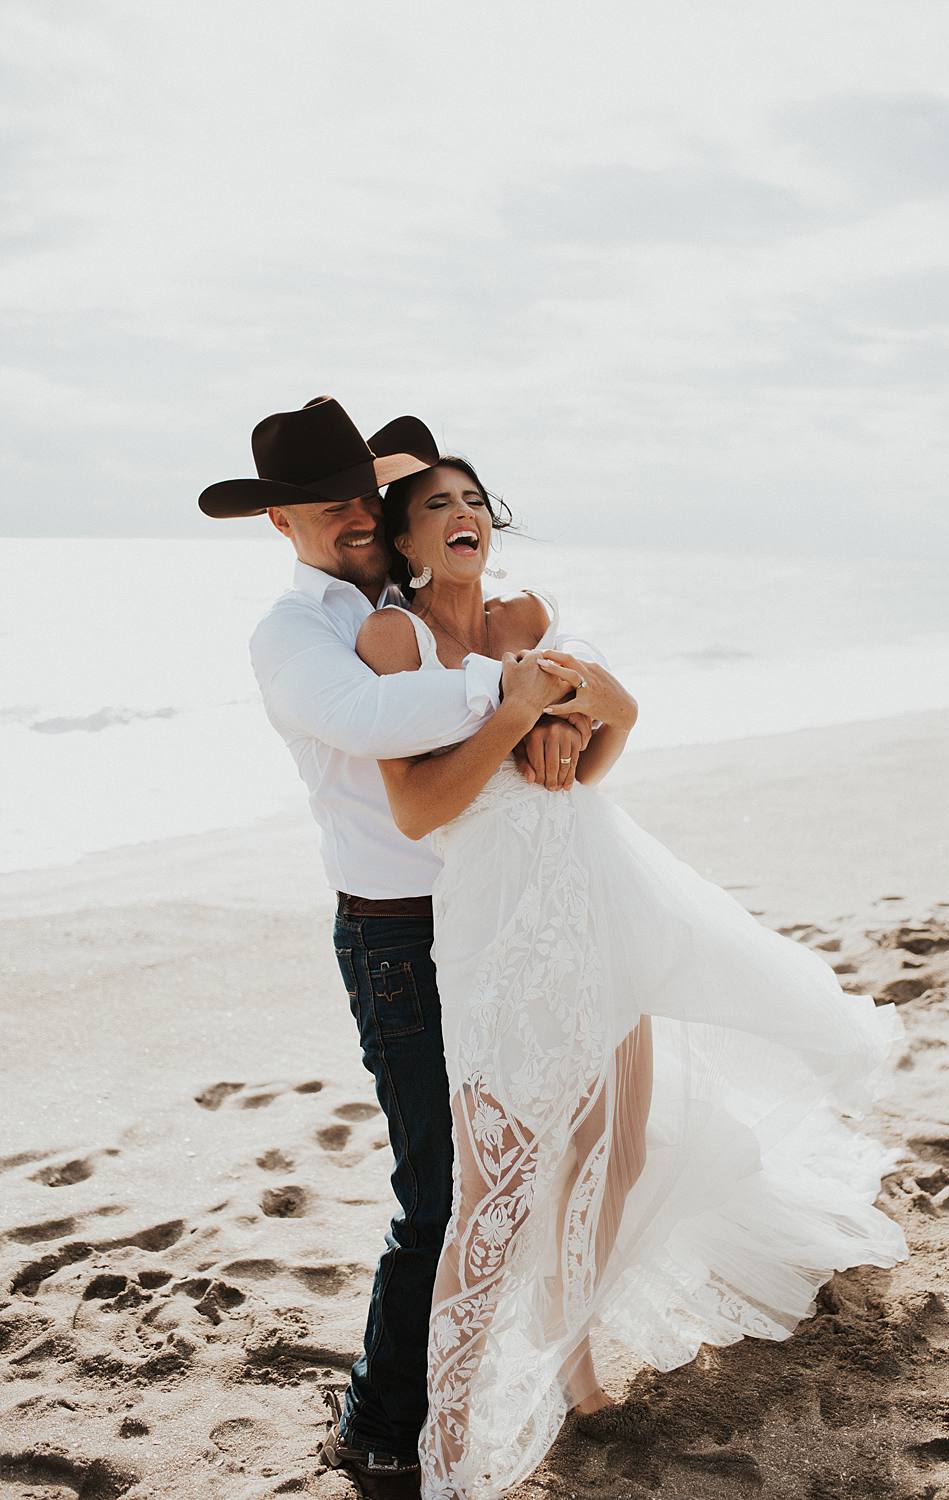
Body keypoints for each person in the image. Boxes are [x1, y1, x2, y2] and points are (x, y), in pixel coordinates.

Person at [354, 457, 911, 1500]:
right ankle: (449, 1436)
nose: (463, 514)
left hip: (594, 888)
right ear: (404, 537)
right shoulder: (394, 638)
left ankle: (573, 1362)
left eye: (473, 500)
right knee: (492, 1193)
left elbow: (594, 760)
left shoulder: (528, 611)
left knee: (610, 1148)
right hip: (496, 922)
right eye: (438, 505)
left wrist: (581, 729)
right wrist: (519, 716)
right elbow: (417, 811)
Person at [198, 396, 601, 1500]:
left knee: (526, 1161)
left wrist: (546, 696)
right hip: (397, 934)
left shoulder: (406, 601)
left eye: (360, 497)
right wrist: (517, 696)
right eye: (325, 506)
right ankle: (376, 1426)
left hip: (501, 914)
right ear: (277, 522)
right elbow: (382, 725)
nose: (352, 516)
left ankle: (510, 1377)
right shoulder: (293, 634)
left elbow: (508, 644)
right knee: (437, 1187)